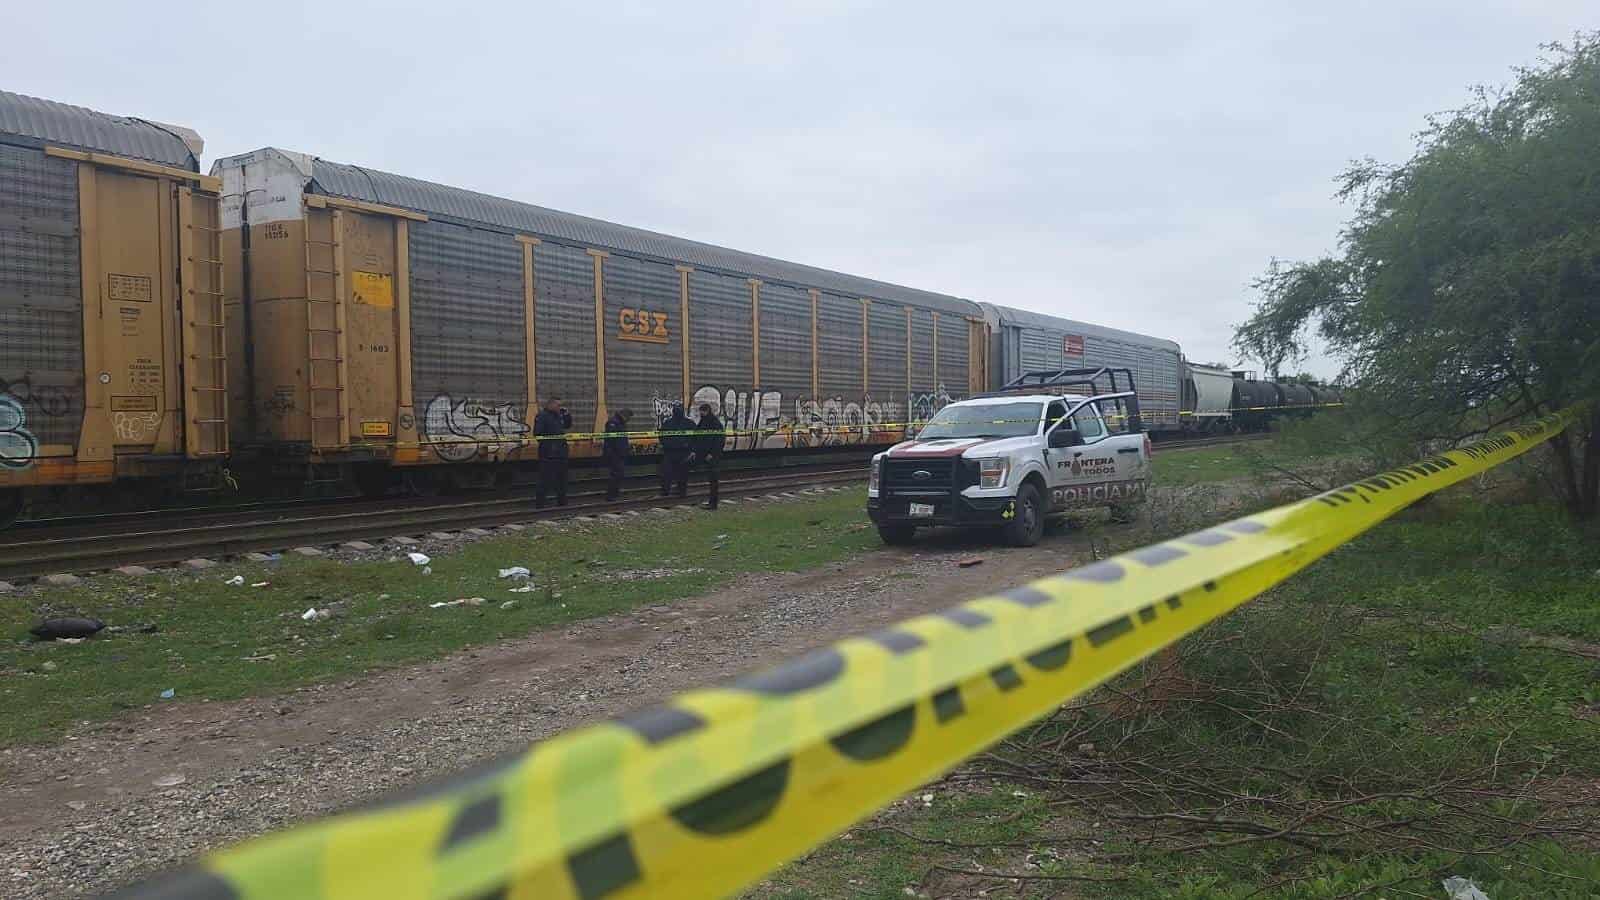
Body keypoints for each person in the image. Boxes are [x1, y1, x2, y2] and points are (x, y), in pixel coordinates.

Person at [533, 397, 572, 508]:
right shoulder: (542, 416)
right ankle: (540, 504)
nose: (560, 408)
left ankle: (562, 503)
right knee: (545, 480)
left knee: (562, 479)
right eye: (558, 405)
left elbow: (567, 425)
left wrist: (567, 415)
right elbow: (537, 433)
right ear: (550, 405)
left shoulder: (559, 416)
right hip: (548, 454)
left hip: (561, 452)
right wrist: (550, 445)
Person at [658, 403, 695, 497]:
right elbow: (695, 437)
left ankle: (666, 491)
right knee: (682, 474)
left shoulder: (667, 422)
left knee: (667, 473)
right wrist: (690, 447)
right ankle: (681, 491)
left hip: (671, 452)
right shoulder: (689, 423)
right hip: (682, 452)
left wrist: (666, 445)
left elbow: (661, 436)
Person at [694, 402, 725, 510]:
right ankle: (711, 502)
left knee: (713, 479)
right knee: (711, 479)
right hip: (706, 454)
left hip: (712, 456)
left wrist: (712, 454)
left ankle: (713, 503)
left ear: (706, 411)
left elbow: (719, 440)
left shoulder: (714, 423)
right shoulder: (705, 421)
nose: (700, 414)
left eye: (702, 411)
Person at [602, 408, 632, 501]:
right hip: (614, 454)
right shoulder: (613, 423)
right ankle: (611, 496)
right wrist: (615, 452)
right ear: (624, 415)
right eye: (628, 417)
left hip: (619, 453)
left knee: (619, 474)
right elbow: (612, 440)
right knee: (616, 474)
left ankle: (615, 494)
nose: (629, 420)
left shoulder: (620, 423)